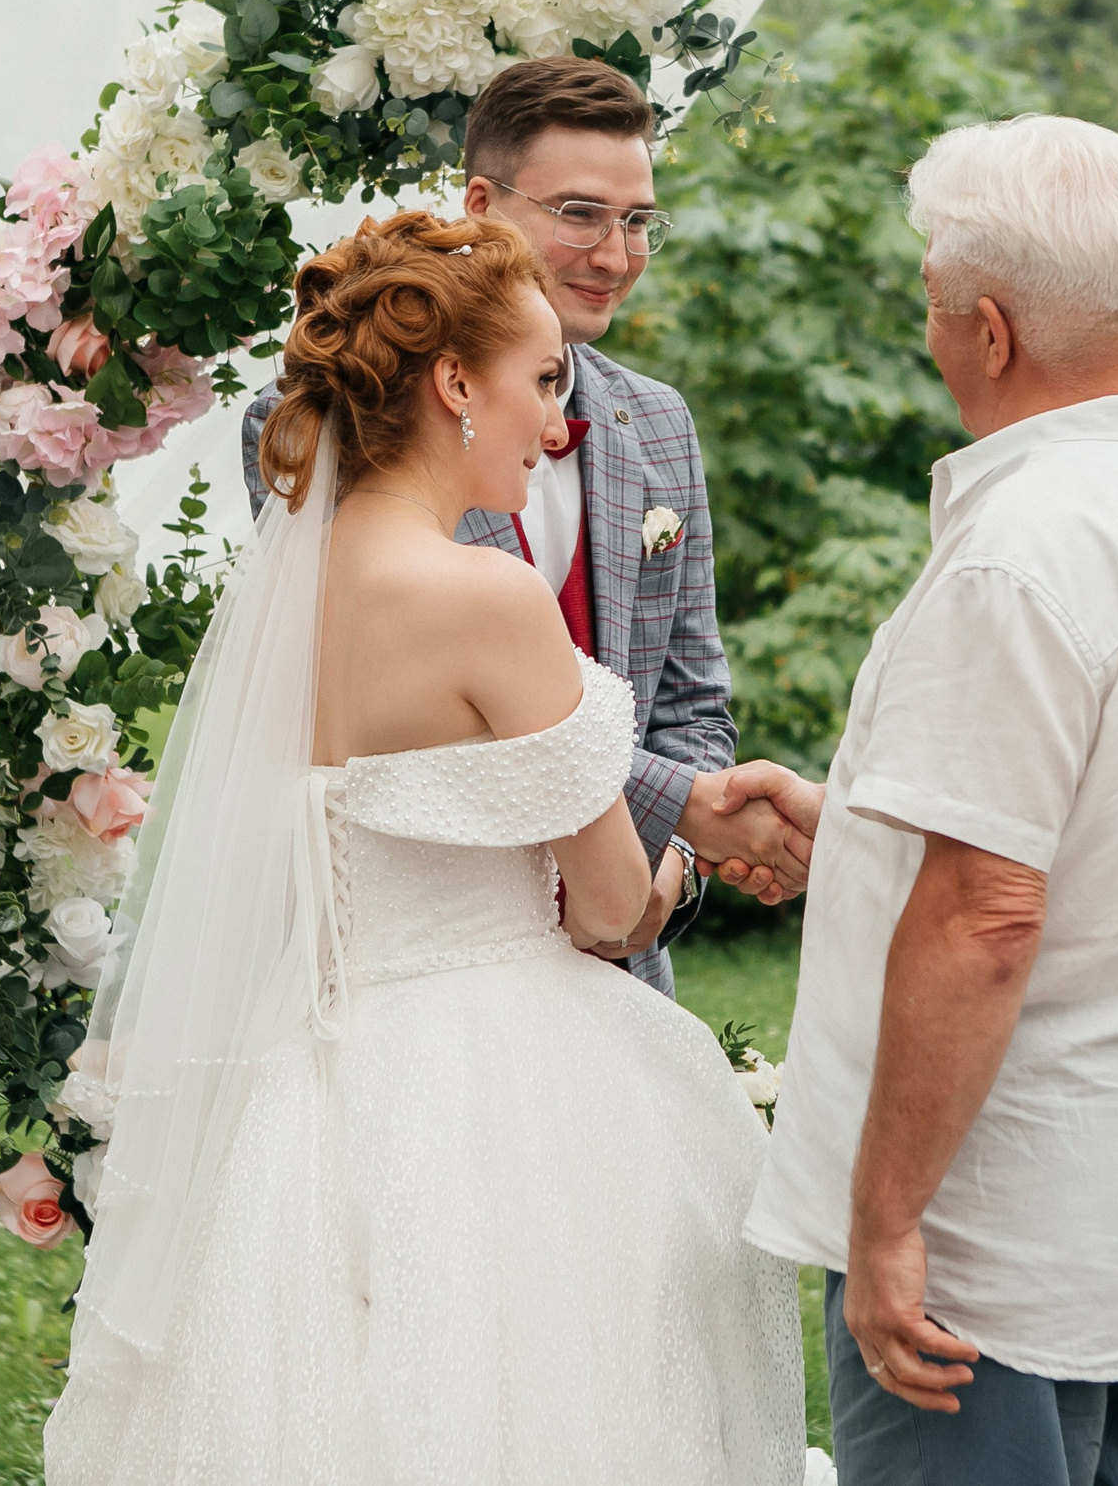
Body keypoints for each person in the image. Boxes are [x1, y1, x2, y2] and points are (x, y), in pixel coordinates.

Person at [47, 212, 806, 1483]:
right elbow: (611, 909)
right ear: (457, 382)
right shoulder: (486, 596)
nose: (555, 425)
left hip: (299, 1081)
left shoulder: (287, 593)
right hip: (499, 1083)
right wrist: (695, 860)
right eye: (541, 380)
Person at [741, 116, 1118, 1486]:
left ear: (988, 330)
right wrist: (872, 824)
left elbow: (988, 914)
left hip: (1002, 1234)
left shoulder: (1025, 544)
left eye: (932, 304)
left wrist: (883, 1226)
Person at [243, 57, 809, 998]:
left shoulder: (659, 421)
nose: (616, 255)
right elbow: (408, 726)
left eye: (639, 223)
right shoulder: (324, 416)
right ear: (483, 201)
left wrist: (672, 867)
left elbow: (694, 701)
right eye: (582, 214)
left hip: (626, 966)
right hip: (415, 958)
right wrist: (692, 814)